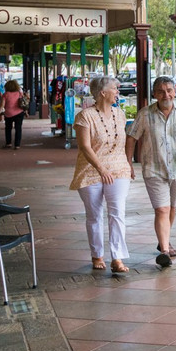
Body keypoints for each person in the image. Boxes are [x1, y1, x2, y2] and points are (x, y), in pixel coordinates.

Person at [125, 76, 176, 268]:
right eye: (160, 91)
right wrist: (128, 162)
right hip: (153, 168)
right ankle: (165, 252)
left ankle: (163, 240)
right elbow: (131, 137)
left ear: (174, 91)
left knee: (172, 207)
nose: (165, 94)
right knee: (162, 209)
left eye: (169, 90)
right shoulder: (145, 114)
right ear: (154, 94)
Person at [70, 75, 131, 274]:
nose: (118, 92)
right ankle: (97, 255)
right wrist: (101, 169)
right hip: (90, 170)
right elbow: (85, 147)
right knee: (95, 215)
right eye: (115, 89)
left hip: (118, 168)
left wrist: (128, 165)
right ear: (103, 93)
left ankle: (117, 257)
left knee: (117, 213)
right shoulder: (84, 116)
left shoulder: (120, 114)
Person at [0, 79, 28, 149]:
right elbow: (23, 103)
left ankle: (8, 143)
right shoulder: (19, 93)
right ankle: (17, 145)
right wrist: (26, 112)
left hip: (8, 114)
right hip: (19, 113)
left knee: (8, 128)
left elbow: (2, 105)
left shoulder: (5, 95)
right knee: (18, 129)